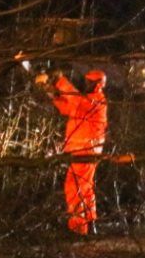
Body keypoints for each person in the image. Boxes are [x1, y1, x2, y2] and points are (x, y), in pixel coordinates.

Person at [37, 69, 108, 234]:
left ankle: (78, 227)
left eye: (89, 81)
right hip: (84, 151)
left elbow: (75, 99)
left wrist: (60, 81)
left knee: (74, 187)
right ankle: (90, 224)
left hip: (86, 152)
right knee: (85, 188)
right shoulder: (89, 101)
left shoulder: (96, 101)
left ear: (97, 85)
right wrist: (50, 90)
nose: (85, 83)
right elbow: (66, 106)